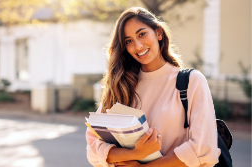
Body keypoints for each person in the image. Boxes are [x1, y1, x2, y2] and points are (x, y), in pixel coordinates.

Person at [86, 7, 220, 167]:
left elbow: (203, 150)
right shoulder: (121, 86)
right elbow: (93, 151)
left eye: (142, 34)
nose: (138, 46)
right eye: (128, 41)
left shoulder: (192, 81)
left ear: (158, 33)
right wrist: (135, 153)